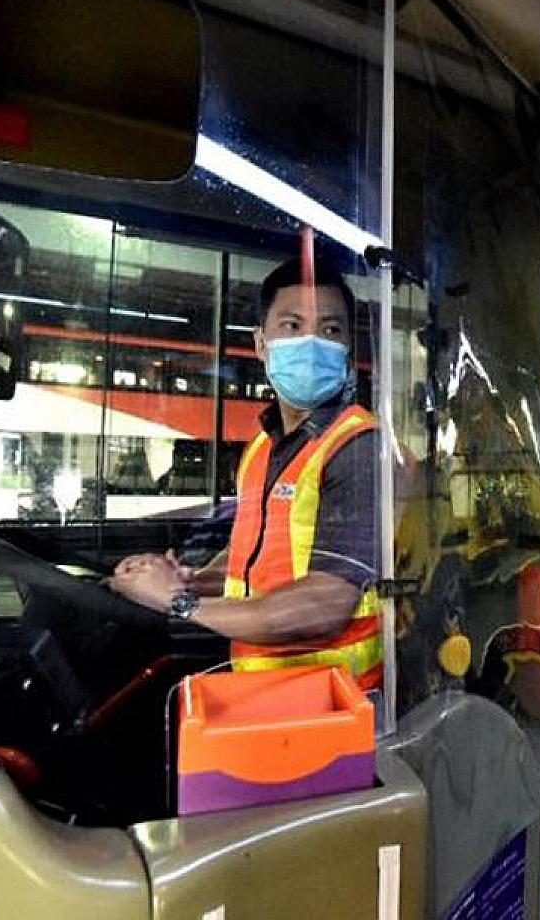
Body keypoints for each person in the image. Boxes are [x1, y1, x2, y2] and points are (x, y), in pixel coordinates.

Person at [110, 256, 384, 689]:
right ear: (261, 343)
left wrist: (177, 602)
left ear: (349, 348)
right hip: (265, 691)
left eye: (331, 330)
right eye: (293, 326)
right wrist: (194, 580)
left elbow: (325, 603)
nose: (312, 343)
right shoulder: (262, 444)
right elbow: (255, 557)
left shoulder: (357, 447)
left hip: (337, 703)